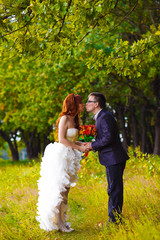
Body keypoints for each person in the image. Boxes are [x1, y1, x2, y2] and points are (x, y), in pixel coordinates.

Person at [36, 93, 85, 232]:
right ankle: (59, 223)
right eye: (81, 103)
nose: (83, 105)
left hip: (71, 157)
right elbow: (62, 140)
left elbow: (72, 140)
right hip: (61, 157)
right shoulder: (64, 118)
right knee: (60, 191)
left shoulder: (75, 119)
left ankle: (62, 220)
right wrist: (79, 147)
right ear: (74, 104)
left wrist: (82, 144)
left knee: (66, 192)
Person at [85, 92, 129, 224]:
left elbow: (108, 138)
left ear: (96, 104)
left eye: (89, 101)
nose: (86, 104)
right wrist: (88, 142)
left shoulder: (104, 117)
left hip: (113, 158)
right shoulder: (101, 116)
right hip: (112, 157)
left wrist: (92, 145)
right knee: (114, 188)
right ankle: (115, 219)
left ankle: (114, 221)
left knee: (114, 189)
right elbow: (104, 136)